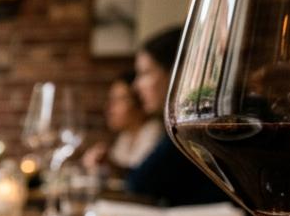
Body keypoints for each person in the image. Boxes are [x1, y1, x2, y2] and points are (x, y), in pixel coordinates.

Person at [125, 27, 230, 206]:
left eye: (145, 73)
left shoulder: (196, 123)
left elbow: (140, 183)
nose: (136, 86)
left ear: (179, 73)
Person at [82, 71, 161, 172]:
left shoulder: (156, 134)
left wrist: (111, 166)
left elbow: (144, 177)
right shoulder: (125, 137)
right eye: (110, 100)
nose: (109, 108)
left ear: (139, 102)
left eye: (118, 100)